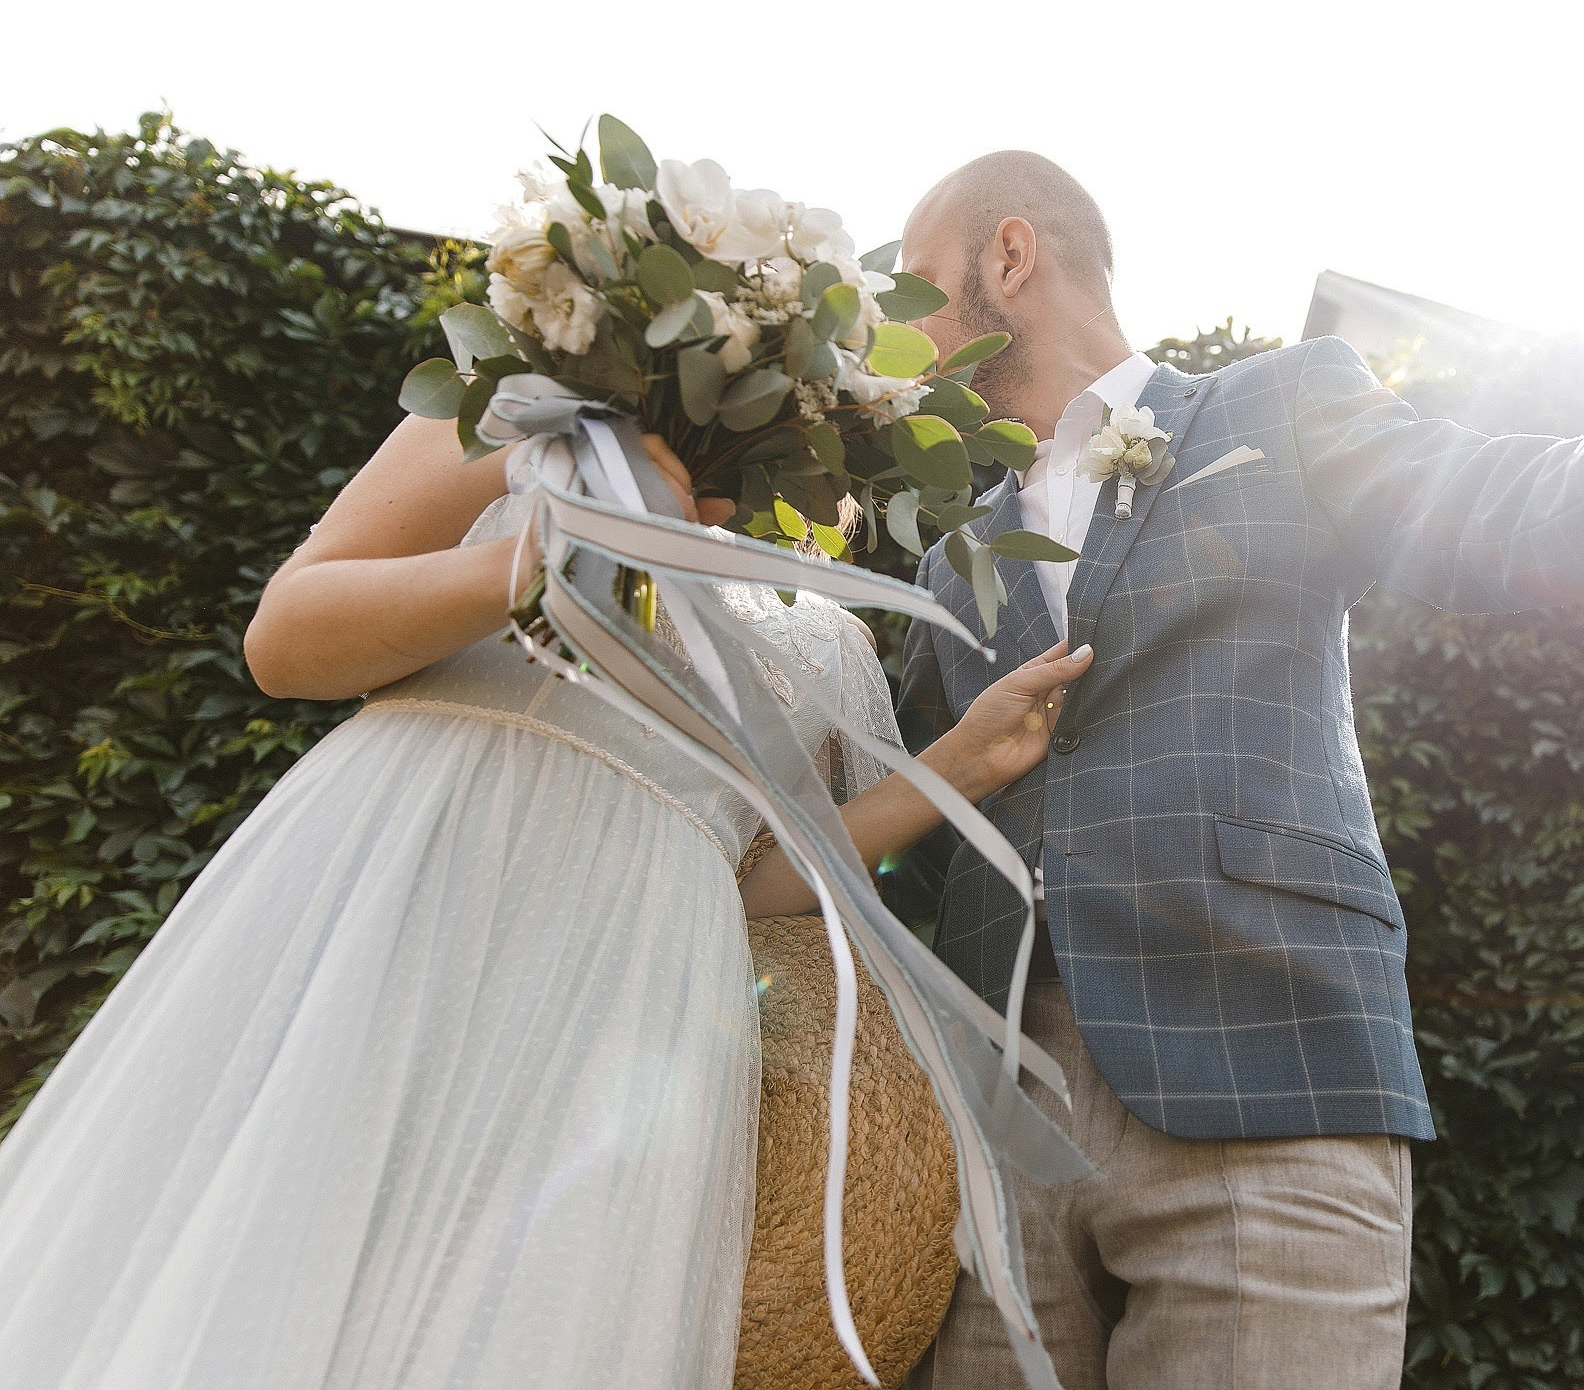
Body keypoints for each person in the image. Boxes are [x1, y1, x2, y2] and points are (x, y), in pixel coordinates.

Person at [886, 152, 1584, 1390]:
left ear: (1008, 256)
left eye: (912, 285)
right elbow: (894, 815)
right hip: (998, 1139)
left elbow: (1512, 508)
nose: (892, 325)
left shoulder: (1281, 405)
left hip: (1267, 1064)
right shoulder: (946, 556)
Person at [0, 410, 1092, 1389]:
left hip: (624, 1017)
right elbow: (285, 644)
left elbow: (756, 884)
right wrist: (546, 555)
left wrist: (959, 762)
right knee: (261, 1280)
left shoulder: (826, 622)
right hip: (395, 922)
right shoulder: (521, 424)